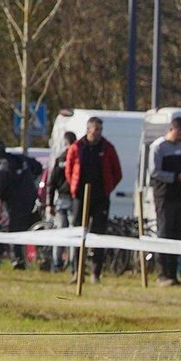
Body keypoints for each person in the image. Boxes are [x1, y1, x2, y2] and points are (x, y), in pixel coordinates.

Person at [64, 117, 123, 283]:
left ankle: (96, 273)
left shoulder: (107, 147)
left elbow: (117, 172)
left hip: (101, 197)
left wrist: (107, 188)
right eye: (95, 129)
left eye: (100, 130)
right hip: (80, 197)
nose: (97, 133)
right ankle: (77, 271)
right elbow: (68, 171)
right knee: (77, 234)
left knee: (98, 235)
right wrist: (75, 187)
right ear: (88, 129)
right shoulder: (76, 147)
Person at [147, 116, 181, 286]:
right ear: (171, 129)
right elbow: (154, 172)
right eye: (179, 134)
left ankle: (174, 275)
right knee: (164, 232)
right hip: (164, 196)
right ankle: (162, 274)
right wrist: (175, 177)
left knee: (177, 234)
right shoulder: (158, 146)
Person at [0, 142, 44, 269]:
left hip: (15, 206)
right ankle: (43, 259)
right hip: (31, 201)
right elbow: (38, 167)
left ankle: (18, 262)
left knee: (14, 233)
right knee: (36, 232)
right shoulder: (20, 158)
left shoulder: (3, 169)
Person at [45, 131, 76, 270]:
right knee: (74, 233)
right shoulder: (77, 157)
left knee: (60, 233)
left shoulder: (60, 159)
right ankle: (72, 263)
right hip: (74, 199)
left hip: (61, 199)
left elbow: (51, 183)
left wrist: (49, 203)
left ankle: (57, 263)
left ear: (65, 142)